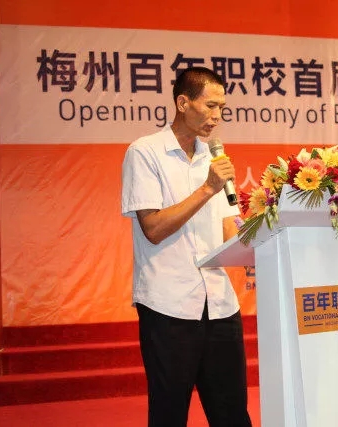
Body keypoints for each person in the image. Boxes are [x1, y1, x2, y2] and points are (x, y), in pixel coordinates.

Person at [121, 66, 252, 427]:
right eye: (210, 106)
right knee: (169, 415)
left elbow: (228, 230)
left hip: (220, 304)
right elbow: (153, 228)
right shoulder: (145, 152)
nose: (217, 116)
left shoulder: (214, 159)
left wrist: (263, 227)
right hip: (169, 306)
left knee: (232, 416)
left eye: (222, 108)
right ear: (183, 103)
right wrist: (207, 188)